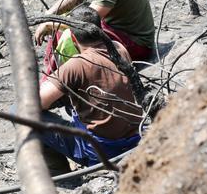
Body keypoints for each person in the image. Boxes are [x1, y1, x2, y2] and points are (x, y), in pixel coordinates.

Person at [35, 10, 144, 168]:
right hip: (135, 139)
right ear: (100, 30)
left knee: (19, 111)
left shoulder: (75, 65)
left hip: (101, 154)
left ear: (72, 37)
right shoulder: (119, 49)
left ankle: (60, 173)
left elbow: (34, 104)